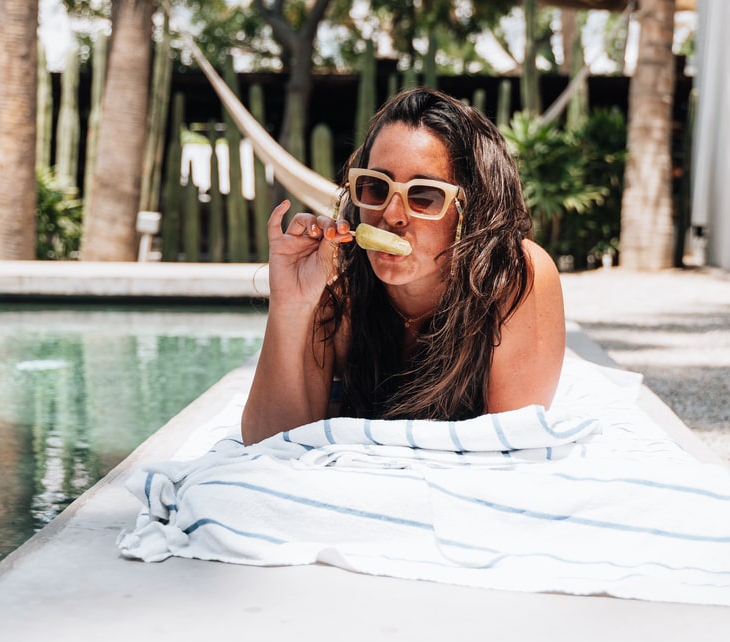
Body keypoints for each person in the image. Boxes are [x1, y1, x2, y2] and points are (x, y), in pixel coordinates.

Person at [241, 89, 566, 444]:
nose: (391, 215)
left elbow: (509, 446)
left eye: (424, 194)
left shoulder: (516, 277)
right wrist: (290, 304)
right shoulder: (336, 293)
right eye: (375, 188)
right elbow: (266, 443)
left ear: (473, 211)